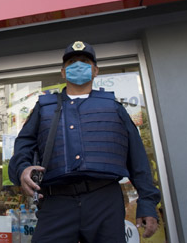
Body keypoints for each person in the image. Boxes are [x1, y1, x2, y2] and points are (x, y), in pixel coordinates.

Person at [8, 41, 160, 243]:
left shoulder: (114, 107)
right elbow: (23, 146)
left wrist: (147, 204)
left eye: (85, 61)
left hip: (104, 200)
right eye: (72, 62)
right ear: (63, 72)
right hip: (56, 201)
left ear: (95, 70)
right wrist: (22, 170)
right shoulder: (44, 107)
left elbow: (138, 160)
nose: (78, 65)